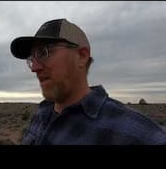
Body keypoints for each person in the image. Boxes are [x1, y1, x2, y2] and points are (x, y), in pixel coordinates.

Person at [10, 18, 166, 145]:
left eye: (44, 52)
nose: (34, 68)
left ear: (82, 56)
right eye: (32, 59)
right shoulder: (41, 114)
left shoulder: (136, 134)